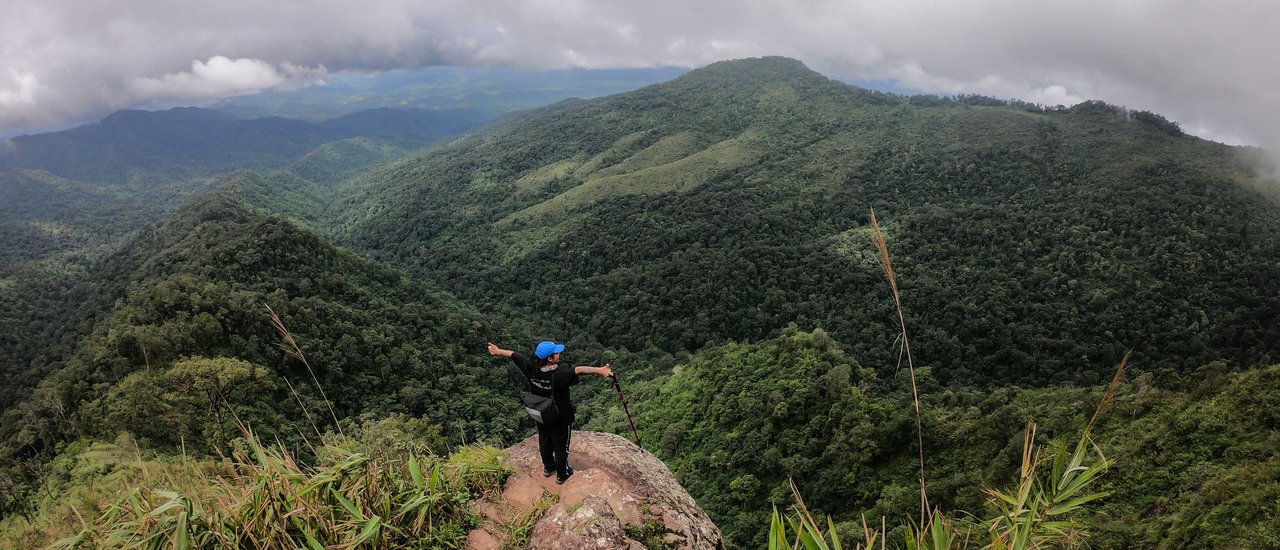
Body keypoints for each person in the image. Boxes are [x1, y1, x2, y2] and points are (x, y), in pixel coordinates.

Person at [488, 340, 613, 484]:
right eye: (557, 353)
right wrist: (601, 370)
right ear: (550, 359)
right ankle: (562, 475)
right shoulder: (558, 376)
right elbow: (578, 370)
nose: (559, 354)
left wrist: (497, 351)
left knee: (544, 440)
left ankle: (548, 468)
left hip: (541, 412)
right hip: (559, 417)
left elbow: (514, 355)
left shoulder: (530, 367)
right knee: (560, 446)